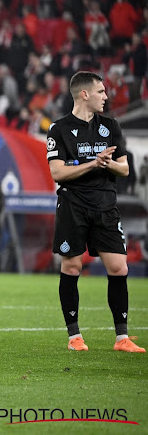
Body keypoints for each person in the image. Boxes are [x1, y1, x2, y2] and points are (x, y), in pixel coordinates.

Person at [47, 71, 144, 353]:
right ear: (84, 94)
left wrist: (107, 163)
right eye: (101, 92)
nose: (106, 96)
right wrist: (93, 163)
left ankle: (121, 338)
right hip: (73, 205)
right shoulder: (59, 129)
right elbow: (57, 172)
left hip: (105, 204)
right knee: (72, 266)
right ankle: (74, 336)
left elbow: (124, 168)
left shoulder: (110, 125)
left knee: (119, 267)